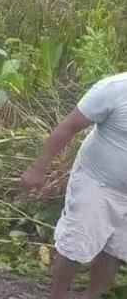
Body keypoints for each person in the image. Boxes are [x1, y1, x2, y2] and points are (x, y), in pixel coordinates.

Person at [21, 72, 127, 299]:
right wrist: (38, 169)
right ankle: (58, 295)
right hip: (97, 182)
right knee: (75, 245)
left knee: (114, 249)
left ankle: (92, 296)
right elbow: (68, 127)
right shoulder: (116, 89)